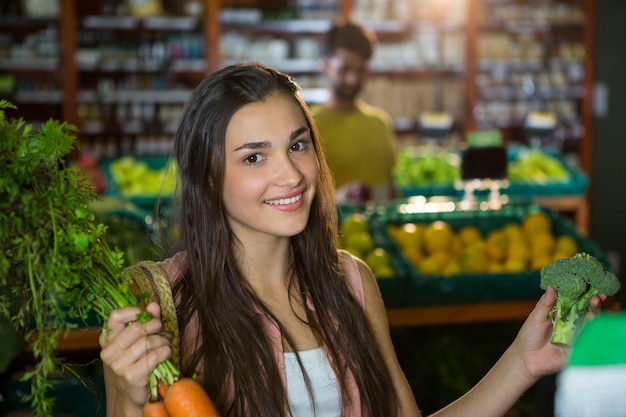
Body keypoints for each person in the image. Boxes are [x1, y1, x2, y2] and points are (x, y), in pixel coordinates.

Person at [99, 62, 606, 417]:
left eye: (297, 145)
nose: (291, 175)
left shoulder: (350, 282)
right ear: (208, 178)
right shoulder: (159, 304)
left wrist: (522, 362)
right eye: (255, 157)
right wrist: (125, 395)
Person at [310, 19, 397, 202]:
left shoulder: (380, 123)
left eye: (360, 70)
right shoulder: (309, 126)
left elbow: (391, 189)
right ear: (324, 65)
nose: (353, 79)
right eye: (344, 69)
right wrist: (337, 199)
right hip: (332, 231)